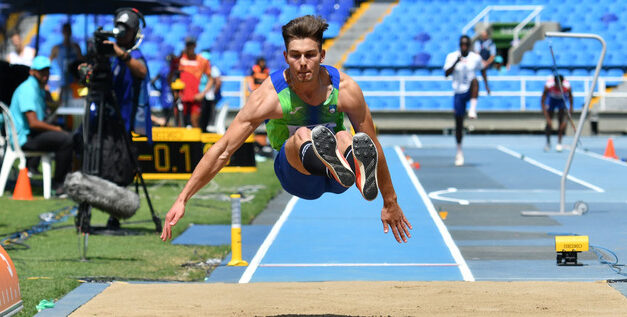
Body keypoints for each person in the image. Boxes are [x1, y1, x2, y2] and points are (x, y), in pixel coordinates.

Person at [161, 15, 412, 244]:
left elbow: (373, 145)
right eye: (295, 55)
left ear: (322, 55)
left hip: (337, 180)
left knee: (348, 137)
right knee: (304, 135)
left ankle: (350, 169)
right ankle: (336, 160)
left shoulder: (346, 90)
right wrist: (184, 197)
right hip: (296, 175)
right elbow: (224, 149)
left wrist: (390, 202)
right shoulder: (269, 96)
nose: (303, 63)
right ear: (285, 57)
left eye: (310, 55)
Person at [8, 56, 73, 196]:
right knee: (66, 139)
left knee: (69, 136)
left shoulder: (38, 88)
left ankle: (66, 179)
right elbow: (33, 123)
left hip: (30, 134)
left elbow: (42, 117)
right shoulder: (28, 89)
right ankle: (59, 184)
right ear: (32, 72)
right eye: (41, 71)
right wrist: (57, 129)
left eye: (47, 71)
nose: (45, 75)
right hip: (24, 139)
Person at [444, 35, 490, 166]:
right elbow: (446, 73)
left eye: (466, 45)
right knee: (459, 124)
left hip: (470, 89)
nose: (464, 47)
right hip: (458, 92)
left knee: (475, 81)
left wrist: (486, 85)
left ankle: (472, 110)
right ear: (459, 45)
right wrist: (456, 62)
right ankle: (459, 151)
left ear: (469, 45)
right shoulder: (452, 56)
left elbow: (483, 69)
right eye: (462, 45)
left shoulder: (475, 57)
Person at [178, 36, 211, 128]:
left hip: (195, 97)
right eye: (188, 45)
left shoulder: (201, 61)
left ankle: (196, 142)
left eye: (191, 45)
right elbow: (173, 75)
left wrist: (203, 93)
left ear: (195, 46)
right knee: (180, 123)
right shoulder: (180, 59)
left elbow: (211, 79)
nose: (189, 48)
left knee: (195, 122)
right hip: (182, 96)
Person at [50, 23, 84, 108]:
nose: (67, 33)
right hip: (64, 83)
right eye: (65, 31)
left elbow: (82, 62)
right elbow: (48, 62)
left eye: (68, 31)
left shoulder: (76, 47)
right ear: (62, 32)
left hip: (75, 83)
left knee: (78, 104)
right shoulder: (57, 48)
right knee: (62, 106)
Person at [541, 74, 573, 152]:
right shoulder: (548, 87)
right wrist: (547, 118)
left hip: (561, 100)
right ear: (554, 83)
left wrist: (567, 118)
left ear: (562, 83)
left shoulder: (567, 88)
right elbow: (542, 102)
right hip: (552, 100)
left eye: (560, 85)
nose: (558, 87)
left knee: (561, 123)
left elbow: (571, 103)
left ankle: (559, 143)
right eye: (557, 85)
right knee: (549, 124)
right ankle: (548, 142)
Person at [198, 50, 222, 132]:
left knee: (206, 116)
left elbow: (218, 82)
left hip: (208, 96)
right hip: (199, 95)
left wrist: (213, 92)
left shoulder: (213, 69)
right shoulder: (198, 68)